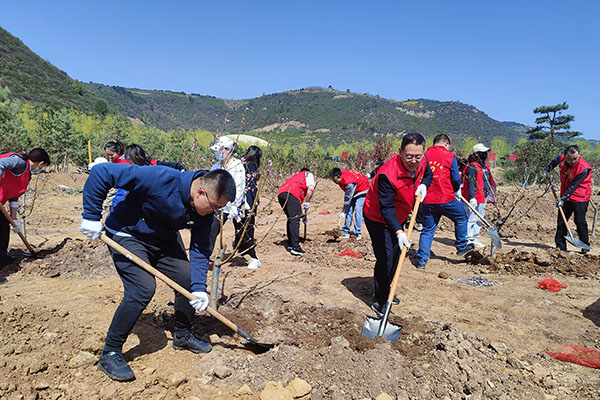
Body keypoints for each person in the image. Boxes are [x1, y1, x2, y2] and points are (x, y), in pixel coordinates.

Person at [79, 164, 236, 382]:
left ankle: (182, 335)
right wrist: (91, 215)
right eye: (213, 207)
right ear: (200, 192)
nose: (214, 213)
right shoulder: (160, 178)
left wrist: (199, 288)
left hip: (163, 239)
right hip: (128, 234)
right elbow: (102, 173)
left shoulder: (204, 212)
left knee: (187, 280)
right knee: (142, 288)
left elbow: (200, 249)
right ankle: (111, 352)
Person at [363, 133, 432, 316]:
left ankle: (387, 291)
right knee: (386, 257)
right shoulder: (388, 173)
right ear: (400, 152)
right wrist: (399, 232)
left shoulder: (422, 162)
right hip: (377, 216)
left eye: (417, 156)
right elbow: (386, 208)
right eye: (409, 156)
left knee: (396, 255)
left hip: (399, 215)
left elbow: (428, 174)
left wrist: (424, 184)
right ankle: (380, 299)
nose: (413, 160)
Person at [416, 134, 474, 269]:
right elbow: (455, 177)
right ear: (447, 144)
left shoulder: (424, 156)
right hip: (446, 198)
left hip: (427, 200)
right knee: (461, 218)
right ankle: (461, 247)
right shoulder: (449, 156)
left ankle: (422, 261)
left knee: (428, 229)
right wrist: (456, 190)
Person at [0, 148, 50, 267]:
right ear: (41, 163)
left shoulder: (26, 174)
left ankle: (2, 257)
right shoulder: (19, 161)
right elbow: (1, 164)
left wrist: (14, 219)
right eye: (43, 167)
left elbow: (14, 195)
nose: (41, 169)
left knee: (3, 225)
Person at [544, 145, 592, 253]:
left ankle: (585, 246)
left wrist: (563, 199)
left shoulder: (583, 168)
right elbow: (555, 161)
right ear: (566, 156)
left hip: (580, 196)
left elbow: (574, 186)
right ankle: (561, 247)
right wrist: (548, 170)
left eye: (576, 158)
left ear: (579, 155)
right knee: (561, 221)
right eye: (570, 159)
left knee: (579, 221)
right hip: (566, 195)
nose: (573, 161)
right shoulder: (562, 158)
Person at [207, 137, 246, 255]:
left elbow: (240, 186)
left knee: (242, 233)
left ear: (229, 150)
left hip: (234, 206)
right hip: (219, 206)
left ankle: (253, 257)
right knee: (211, 231)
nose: (217, 154)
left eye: (220, 151)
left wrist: (235, 205)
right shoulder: (216, 166)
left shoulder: (237, 165)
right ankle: (205, 257)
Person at [461, 143, 496, 248]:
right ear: (476, 154)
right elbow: (471, 183)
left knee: (479, 218)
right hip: (474, 197)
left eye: (486, 152)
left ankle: (474, 237)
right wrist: (472, 197)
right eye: (483, 152)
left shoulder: (485, 165)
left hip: (483, 196)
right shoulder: (472, 167)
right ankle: (467, 238)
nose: (485, 154)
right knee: (470, 218)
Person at [235, 146, 262, 269]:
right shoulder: (251, 165)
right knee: (247, 227)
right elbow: (249, 184)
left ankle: (248, 252)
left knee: (244, 228)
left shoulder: (241, 163)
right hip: (245, 201)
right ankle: (250, 254)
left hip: (243, 200)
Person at [278, 168, 315, 256]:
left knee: (291, 219)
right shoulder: (307, 174)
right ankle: (295, 247)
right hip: (291, 194)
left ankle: (291, 243)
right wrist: (307, 202)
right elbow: (311, 188)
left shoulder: (295, 176)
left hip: (281, 194)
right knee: (295, 219)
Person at [329, 167, 369, 240]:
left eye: (335, 180)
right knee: (349, 210)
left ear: (339, 176)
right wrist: (345, 211)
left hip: (363, 188)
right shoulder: (341, 176)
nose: (335, 182)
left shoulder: (348, 182)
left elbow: (347, 199)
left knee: (358, 209)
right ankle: (345, 231)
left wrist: (343, 211)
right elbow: (348, 199)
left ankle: (357, 233)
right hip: (354, 190)